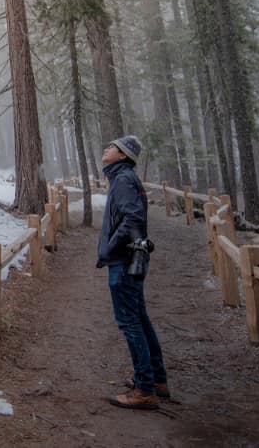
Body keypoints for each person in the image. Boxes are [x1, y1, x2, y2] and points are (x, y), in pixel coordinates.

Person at [96, 135, 169, 410]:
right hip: (130, 259)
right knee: (139, 319)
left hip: (124, 261)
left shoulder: (123, 179)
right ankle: (156, 379)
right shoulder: (121, 177)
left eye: (112, 147)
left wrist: (110, 248)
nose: (106, 148)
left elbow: (134, 219)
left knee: (130, 323)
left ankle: (144, 389)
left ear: (124, 155)